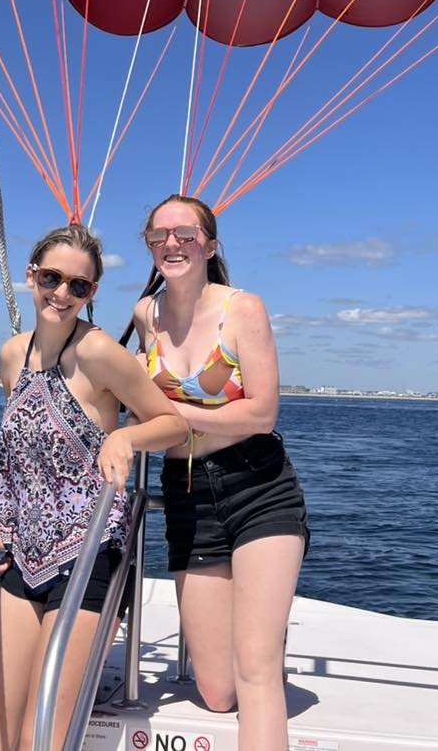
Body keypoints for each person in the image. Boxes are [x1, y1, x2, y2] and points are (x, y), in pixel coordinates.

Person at [0, 223, 186, 751]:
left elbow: (174, 423)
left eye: (79, 286)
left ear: (92, 293)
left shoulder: (97, 353)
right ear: (31, 276)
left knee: (38, 737)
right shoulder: (11, 356)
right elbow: (16, 456)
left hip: (87, 553)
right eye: (52, 278)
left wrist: (127, 438)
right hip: (23, 555)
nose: (62, 293)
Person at [130, 194, 308, 751]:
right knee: (215, 689)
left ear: (209, 244)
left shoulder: (242, 309)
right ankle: (256, 636)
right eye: (159, 236)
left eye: (185, 234)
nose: (172, 244)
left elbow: (261, 412)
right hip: (185, 494)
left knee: (255, 671)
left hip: (258, 486)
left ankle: (260, 643)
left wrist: (166, 419)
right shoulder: (145, 314)